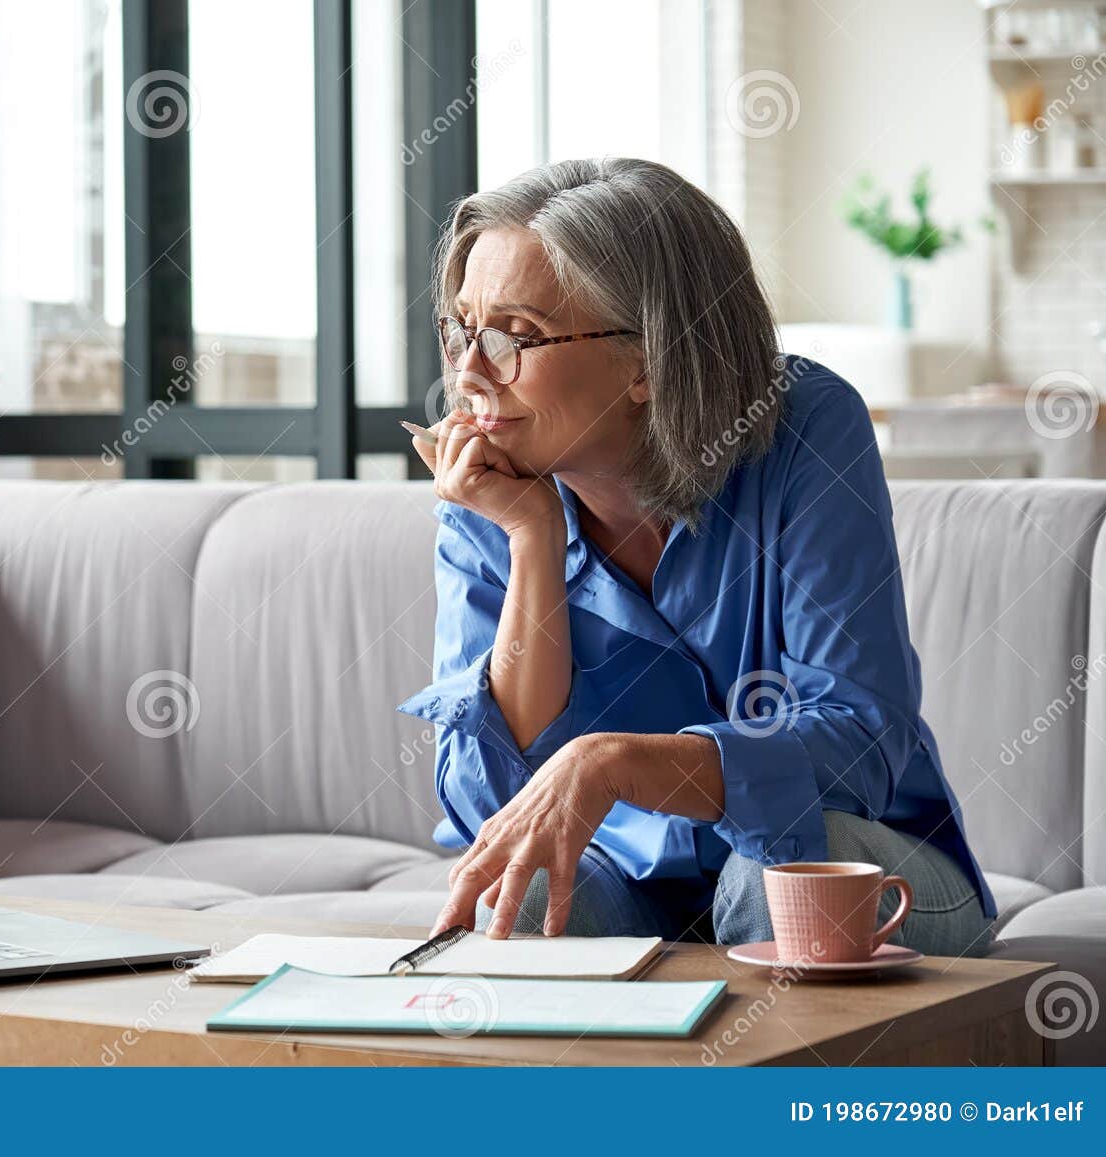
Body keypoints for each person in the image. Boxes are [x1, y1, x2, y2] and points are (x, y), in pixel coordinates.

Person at [398, 157, 995, 955]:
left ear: (649, 358)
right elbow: (493, 804)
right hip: (631, 881)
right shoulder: (492, 486)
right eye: (461, 330)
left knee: (774, 877)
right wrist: (532, 541)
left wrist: (618, 764)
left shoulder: (806, 429)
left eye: (516, 336)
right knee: (527, 891)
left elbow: (859, 743)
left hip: (861, 858)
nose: (468, 375)